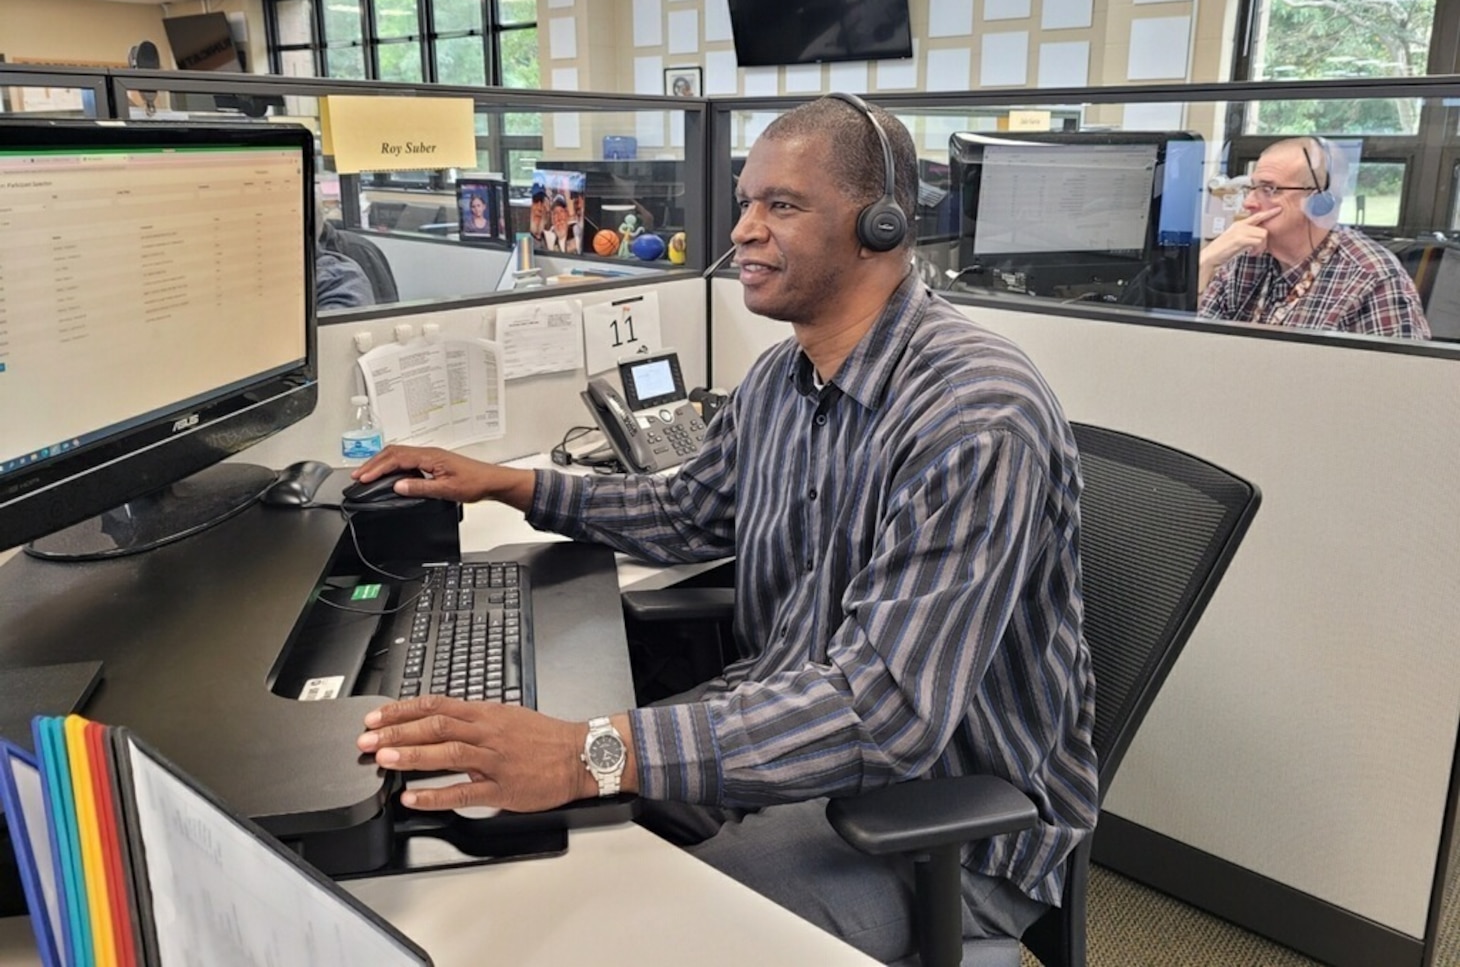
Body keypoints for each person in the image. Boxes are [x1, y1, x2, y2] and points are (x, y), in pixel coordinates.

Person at [351, 96, 1097, 962]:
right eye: (746, 201)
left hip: (938, 817)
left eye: (781, 205)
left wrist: (593, 750)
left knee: (625, 934)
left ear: (880, 226)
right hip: (777, 731)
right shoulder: (785, 378)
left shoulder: (973, 417)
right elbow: (686, 512)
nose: (742, 230)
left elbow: (883, 711)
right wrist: (510, 484)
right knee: (509, 840)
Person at [1198, 137, 1430, 338]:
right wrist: (1207, 260)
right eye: (1252, 188)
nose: (1249, 203)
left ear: (1318, 203)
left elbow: (1397, 383)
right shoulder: (1244, 256)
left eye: (1269, 189)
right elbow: (1192, 346)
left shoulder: (1371, 277)